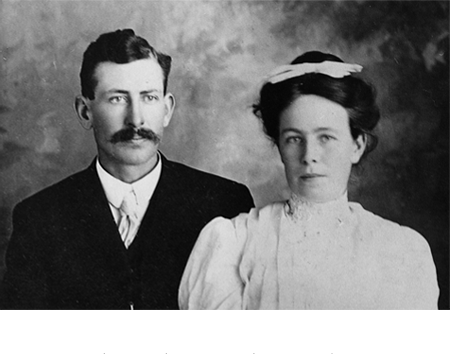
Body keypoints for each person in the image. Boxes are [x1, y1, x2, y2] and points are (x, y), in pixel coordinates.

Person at [2, 29, 254, 310]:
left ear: (167, 109)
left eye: (148, 97)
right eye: (117, 99)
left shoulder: (225, 204)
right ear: (85, 112)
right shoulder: (39, 220)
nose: (136, 119)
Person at [179, 51, 440, 310]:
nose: (309, 156)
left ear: (357, 146)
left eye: (325, 137)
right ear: (280, 147)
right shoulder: (236, 241)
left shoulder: (401, 250)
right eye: (294, 139)